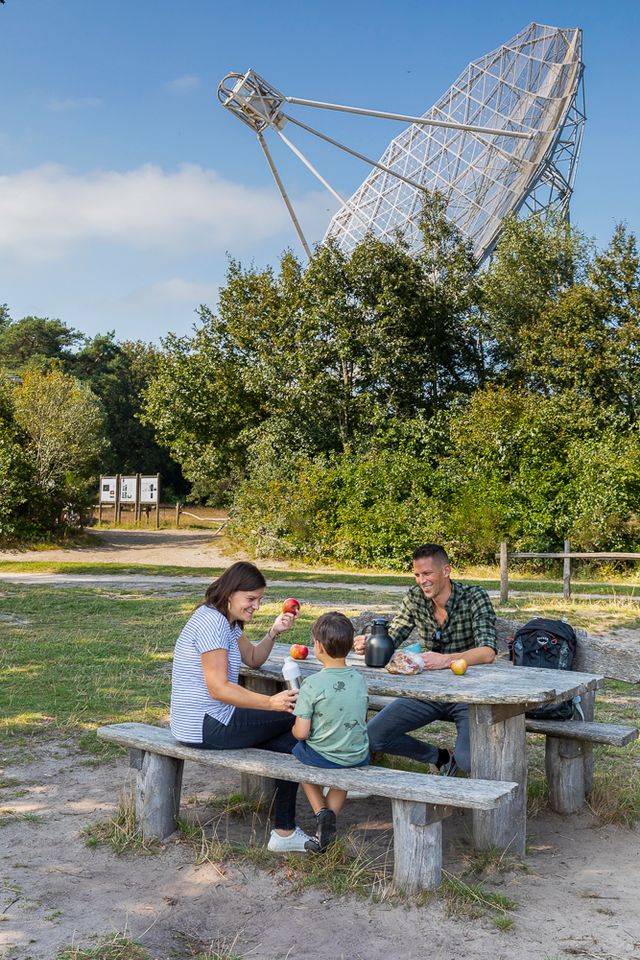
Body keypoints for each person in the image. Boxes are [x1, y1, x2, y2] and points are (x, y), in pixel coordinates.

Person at [170, 561, 314, 853]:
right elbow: (219, 688)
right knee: (296, 720)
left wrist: (273, 632)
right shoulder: (212, 623)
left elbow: (253, 658)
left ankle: (285, 829)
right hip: (207, 725)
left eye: (259, 600)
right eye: (251, 599)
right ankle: (295, 816)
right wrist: (271, 702)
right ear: (231, 593)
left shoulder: (225, 621)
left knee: (289, 737)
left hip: (203, 721)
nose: (256, 606)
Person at [354, 543, 497, 775]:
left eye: (428, 573)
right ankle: (439, 757)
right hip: (428, 692)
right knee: (373, 736)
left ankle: (458, 761)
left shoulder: (474, 597)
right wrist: (371, 641)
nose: (422, 581)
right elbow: (393, 635)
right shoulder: (415, 598)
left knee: (468, 762)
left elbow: (488, 652)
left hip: (468, 695)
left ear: (446, 571)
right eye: (417, 575)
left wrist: (446, 660)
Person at [292, 612, 369, 851]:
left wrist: (295, 728)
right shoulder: (359, 678)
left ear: (318, 646)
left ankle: (321, 811)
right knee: (342, 775)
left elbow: (302, 733)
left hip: (323, 754)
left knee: (298, 755)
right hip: (357, 754)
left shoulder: (312, 684)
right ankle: (327, 822)